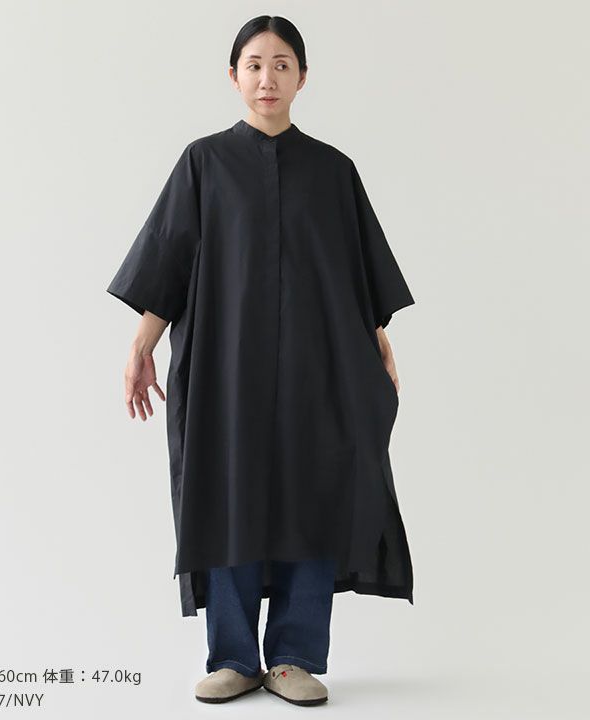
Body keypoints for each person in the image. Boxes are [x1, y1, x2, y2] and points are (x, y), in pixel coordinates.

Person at [106, 15, 416, 706]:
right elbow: (168, 264)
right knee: (226, 494)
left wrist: (379, 340)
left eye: (281, 65)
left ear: (302, 78)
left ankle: (294, 658)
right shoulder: (203, 164)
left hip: (318, 369)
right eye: (253, 64)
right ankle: (234, 658)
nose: (267, 78)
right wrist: (140, 346)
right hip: (225, 369)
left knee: (314, 490)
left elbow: (357, 273)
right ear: (233, 76)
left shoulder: (333, 171)